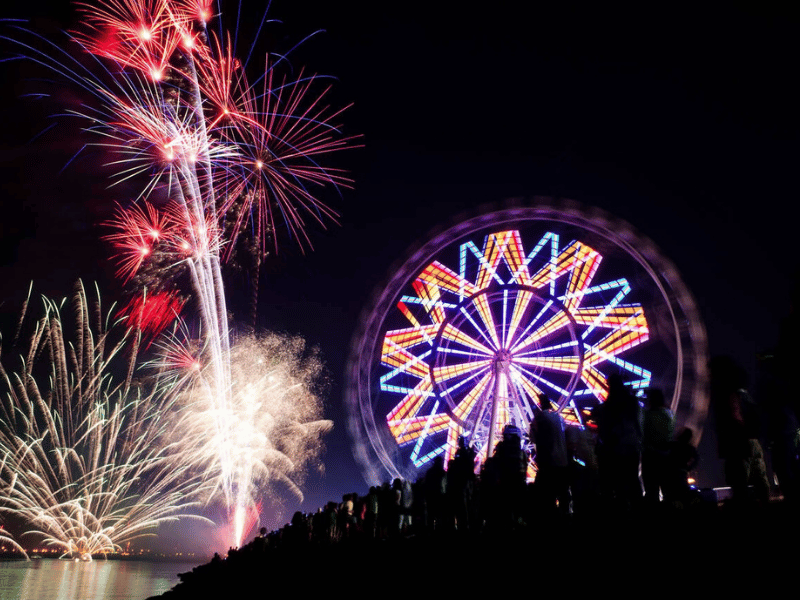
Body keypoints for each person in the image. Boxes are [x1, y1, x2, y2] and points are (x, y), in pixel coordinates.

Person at [531, 394, 570, 515]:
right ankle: (566, 518)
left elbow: (533, 438)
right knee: (564, 494)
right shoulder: (559, 418)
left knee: (546, 496)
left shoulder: (539, 418)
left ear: (539, 404)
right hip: (563, 462)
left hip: (548, 462)